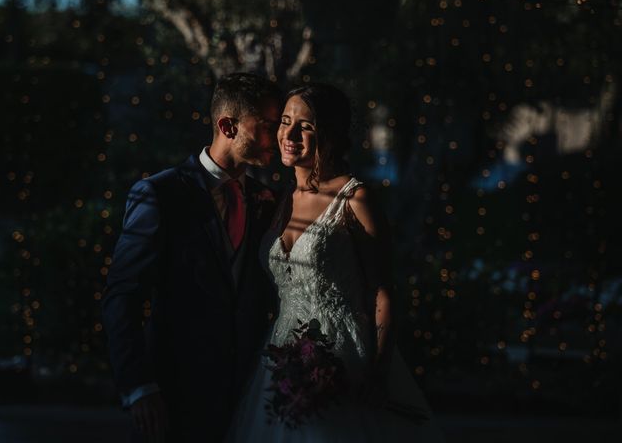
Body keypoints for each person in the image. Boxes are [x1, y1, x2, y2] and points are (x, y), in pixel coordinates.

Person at [226, 83, 445, 442]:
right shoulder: (280, 201)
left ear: (328, 134)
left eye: (306, 126)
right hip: (281, 360)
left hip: (345, 359)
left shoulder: (355, 198)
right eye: (285, 121)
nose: (290, 134)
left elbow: (382, 291)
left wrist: (378, 371)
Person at [102, 73, 284, 442]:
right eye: (266, 125)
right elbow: (122, 296)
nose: (277, 137)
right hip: (176, 394)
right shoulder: (160, 194)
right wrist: (139, 386)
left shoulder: (269, 202)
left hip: (251, 396)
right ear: (227, 126)